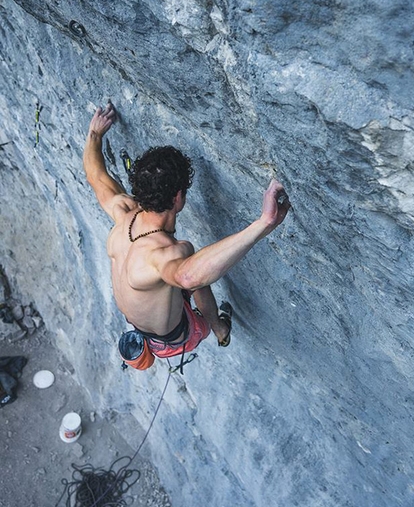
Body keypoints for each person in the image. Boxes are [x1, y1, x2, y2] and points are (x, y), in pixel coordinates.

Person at [83, 102, 291, 370]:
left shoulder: (123, 212)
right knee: (193, 271)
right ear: (179, 197)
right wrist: (265, 222)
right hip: (174, 337)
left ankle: (216, 326)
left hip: (139, 321)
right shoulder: (166, 255)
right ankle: (218, 329)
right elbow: (188, 277)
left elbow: (96, 176)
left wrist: (95, 134)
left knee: (190, 265)